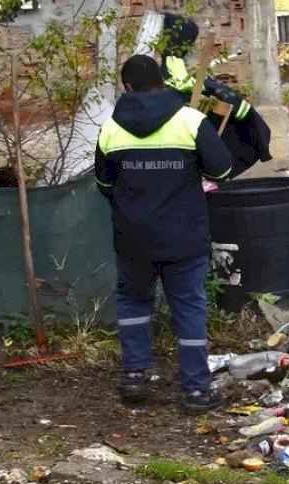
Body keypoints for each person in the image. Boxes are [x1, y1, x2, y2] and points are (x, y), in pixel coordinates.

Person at [94, 54, 233, 413]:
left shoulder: (111, 128)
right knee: (188, 307)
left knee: (134, 302)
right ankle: (196, 391)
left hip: (133, 237)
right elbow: (223, 169)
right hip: (184, 236)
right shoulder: (190, 121)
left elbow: (104, 182)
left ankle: (135, 376)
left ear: (127, 87)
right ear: (163, 82)